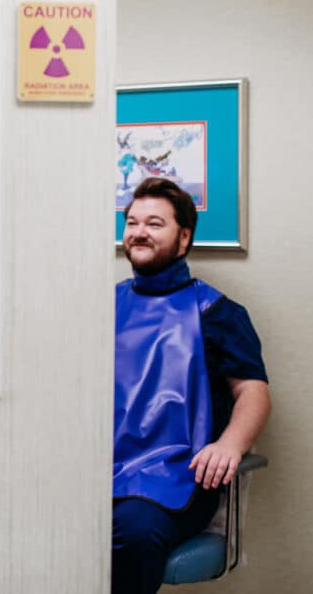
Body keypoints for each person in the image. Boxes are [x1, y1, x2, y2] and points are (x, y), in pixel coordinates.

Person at [112, 177, 272, 594]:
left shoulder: (217, 313)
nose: (139, 232)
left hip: (174, 479)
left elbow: (253, 392)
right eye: (132, 222)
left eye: (154, 223)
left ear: (183, 238)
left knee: (133, 530)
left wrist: (230, 446)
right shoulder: (105, 305)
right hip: (102, 471)